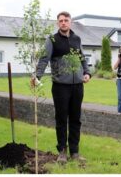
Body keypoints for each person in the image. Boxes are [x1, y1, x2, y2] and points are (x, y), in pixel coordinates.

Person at [31, 11, 91, 164]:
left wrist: (87, 72)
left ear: (70, 22)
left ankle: (75, 152)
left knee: (76, 119)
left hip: (77, 85)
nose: (63, 23)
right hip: (60, 87)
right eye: (61, 21)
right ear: (58, 23)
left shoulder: (77, 39)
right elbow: (44, 59)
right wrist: (36, 76)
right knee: (61, 119)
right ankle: (62, 152)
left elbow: (82, 57)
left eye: (66, 20)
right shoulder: (52, 39)